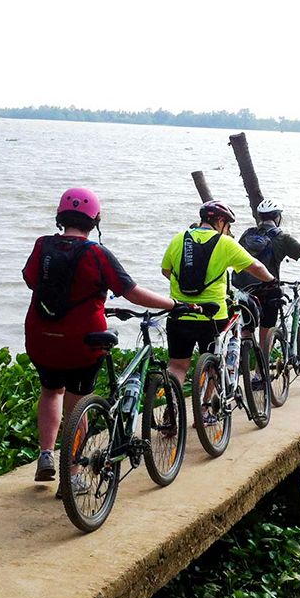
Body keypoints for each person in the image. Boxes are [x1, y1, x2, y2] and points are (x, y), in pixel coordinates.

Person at [23, 188, 190, 486]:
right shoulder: (97, 254)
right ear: (95, 220)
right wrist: (173, 304)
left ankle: (46, 454)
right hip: (83, 342)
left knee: (51, 391)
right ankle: (72, 475)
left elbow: (31, 280)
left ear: (61, 216)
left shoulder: (42, 246)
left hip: (41, 337)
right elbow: (133, 293)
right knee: (77, 403)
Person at [161, 200, 274, 386]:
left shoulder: (179, 238)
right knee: (213, 367)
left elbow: (166, 271)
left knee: (177, 366)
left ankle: (172, 401)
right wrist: (271, 281)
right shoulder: (225, 243)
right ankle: (207, 403)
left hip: (179, 313)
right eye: (228, 225)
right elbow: (256, 266)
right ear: (220, 222)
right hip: (213, 317)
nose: (228, 229)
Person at [233, 199, 300, 354]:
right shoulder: (282, 238)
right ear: (277, 217)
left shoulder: (247, 234)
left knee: (247, 329)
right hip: (268, 290)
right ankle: (263, 365)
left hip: (245, 290)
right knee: (266, 332)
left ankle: (244, 356)